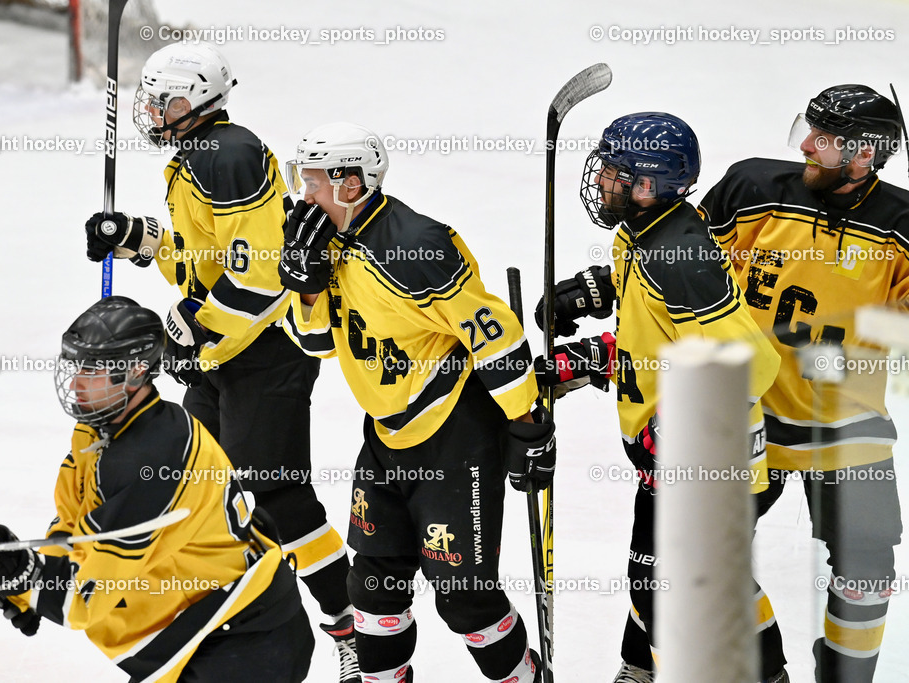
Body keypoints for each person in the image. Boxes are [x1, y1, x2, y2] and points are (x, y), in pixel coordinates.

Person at [82, 42, 357, 681]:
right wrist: (136, 238)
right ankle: (236, 619)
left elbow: (262, 278)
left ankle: (350, 630)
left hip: (268, 354)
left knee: (279, 500)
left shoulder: (228, 153)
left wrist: (193, 327)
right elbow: (205, 257)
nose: (154, 111)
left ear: (204, 99)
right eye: (151, 99)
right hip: (222, 358)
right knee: (211, 492)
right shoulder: (195, 157)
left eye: (168, 100)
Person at [279, 121, 554, 683]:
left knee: (464, 599)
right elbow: (315, 342)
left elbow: (494, 334)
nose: (302, 198)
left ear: (350, 184)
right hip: (385, 436)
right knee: (372, 589)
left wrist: (527, 427)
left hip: (454, 435)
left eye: (312, 184)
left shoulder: (416, 245)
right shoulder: (329, 246)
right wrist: (306, 283)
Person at [535, 112, 785, 682]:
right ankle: (644, 670)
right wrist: (589, 359)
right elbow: (655, 345)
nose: (599, 180)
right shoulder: (641, 235)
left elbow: (750, 362)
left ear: (647, 186)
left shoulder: (679, 257)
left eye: (614, 173)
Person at [0, 296, 313, 682]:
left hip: (245, 643)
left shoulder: (150, 462)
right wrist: (27, 577)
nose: (75, 383)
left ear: (135, 373)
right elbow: (76, 524)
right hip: (206, 636)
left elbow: (84, 601)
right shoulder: (98, 429)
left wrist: (24, 579)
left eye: (91, 370)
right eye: (75, 366)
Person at [698, 84, 908, 682]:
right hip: (748, 411)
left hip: (849, 423)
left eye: (828, 139)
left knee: (867, 574)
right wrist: (600, 289)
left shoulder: (902, 228)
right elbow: (676, 264)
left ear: (866, 154)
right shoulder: (753, 188)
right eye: (808, 131)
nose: (809, 146)